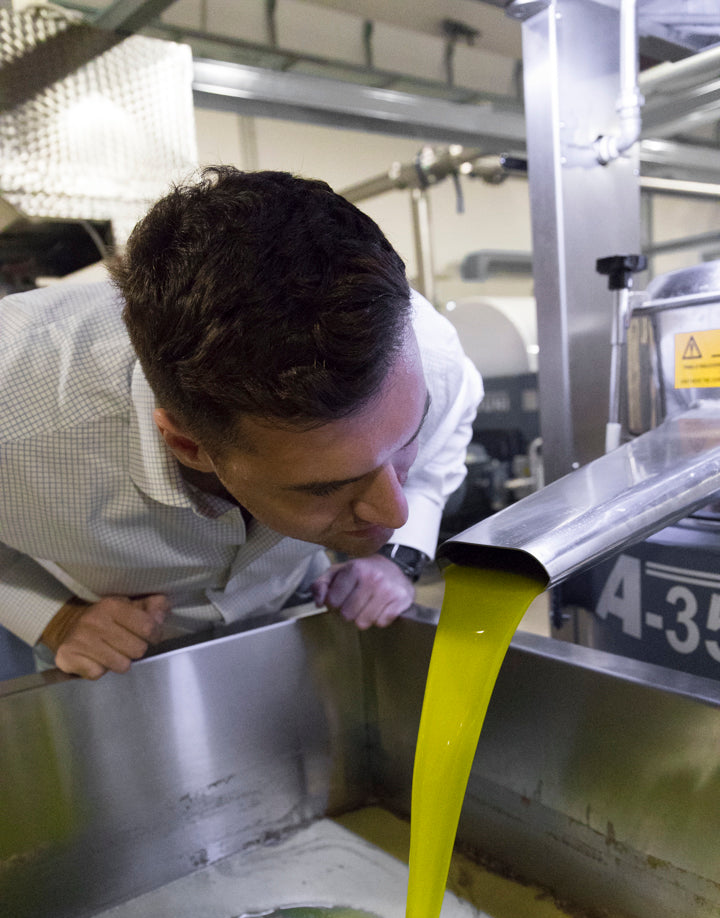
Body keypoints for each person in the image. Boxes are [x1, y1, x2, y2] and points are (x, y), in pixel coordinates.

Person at [0, 167, 482, 680]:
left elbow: (449, 428)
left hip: (296, 608)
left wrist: (399, 559)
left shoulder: (426, 356)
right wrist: (54, 619)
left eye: (404, 440)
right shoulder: (15, 400)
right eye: (324, 487)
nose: (396, 512)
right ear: (188, 443)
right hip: (111, 655)